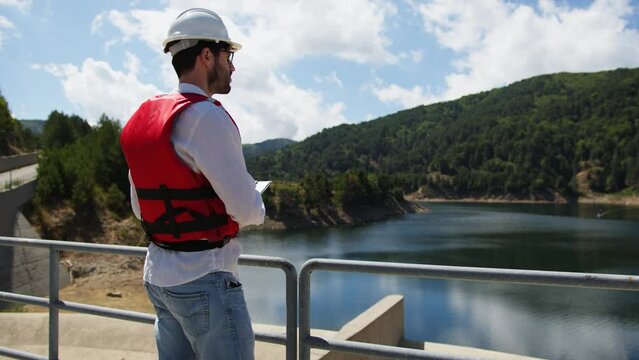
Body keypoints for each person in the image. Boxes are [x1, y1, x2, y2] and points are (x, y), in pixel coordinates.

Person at [120, 8, 265, 360]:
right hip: (206, 279)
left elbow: (141, 208)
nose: (232, 66)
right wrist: (256, 199)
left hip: (159, 278)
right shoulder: (207, 118)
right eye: (227, 56)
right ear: (206, 55)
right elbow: (247, 211)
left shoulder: (148, 117)